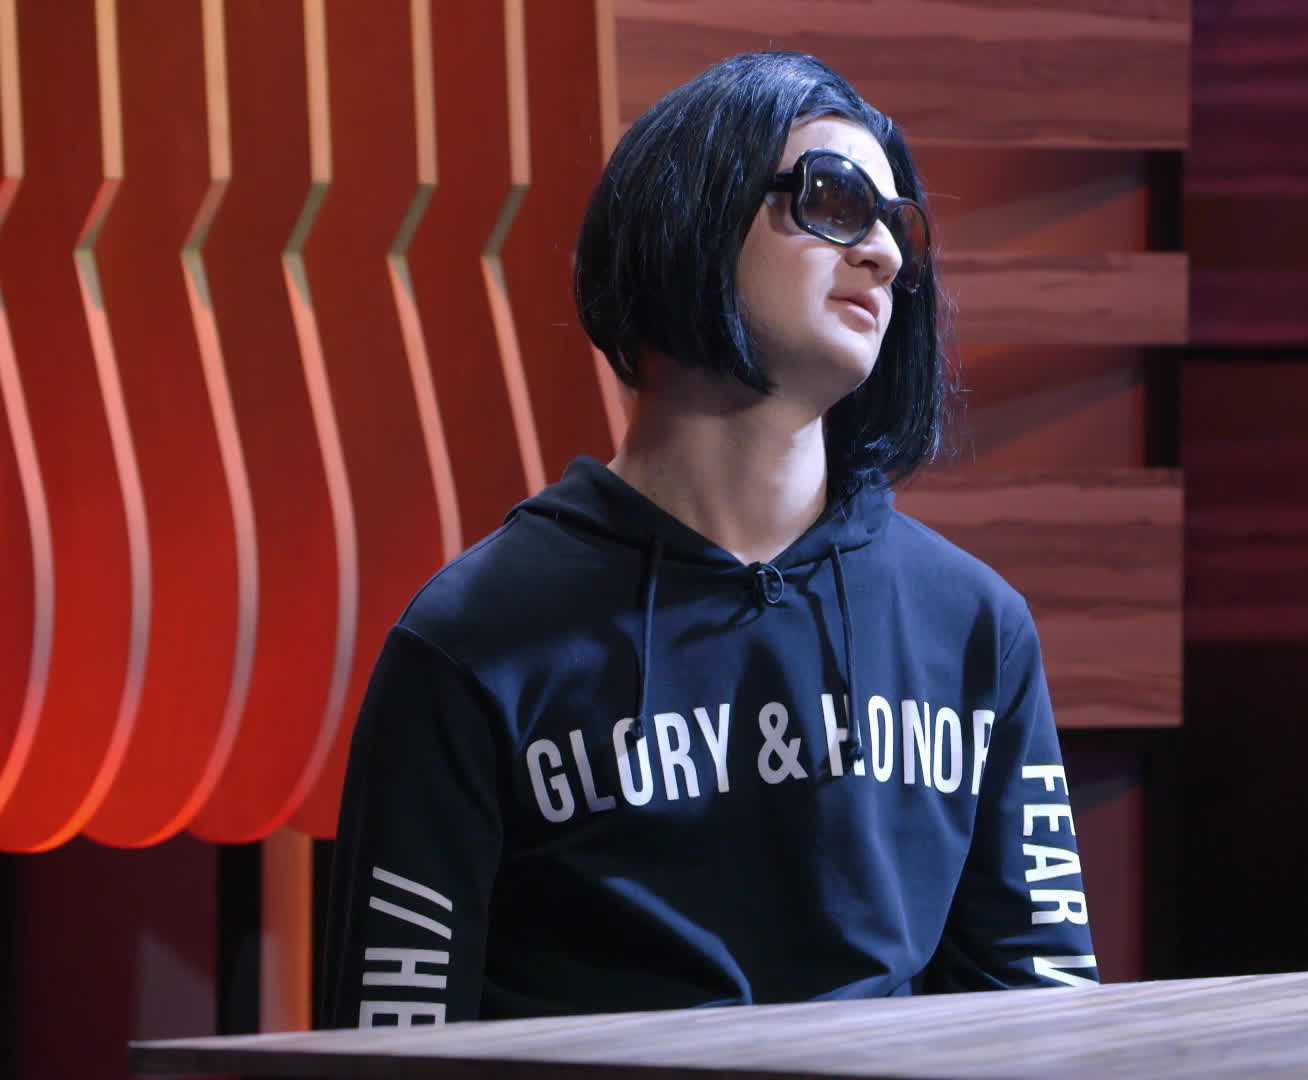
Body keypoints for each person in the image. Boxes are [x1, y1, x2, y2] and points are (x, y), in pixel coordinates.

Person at [319, 50, 1098, 1027]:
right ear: (688, 215)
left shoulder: (975, 626)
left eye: (898, 227)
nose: (886, 257)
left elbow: (1046, 1010)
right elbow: (389, 1028)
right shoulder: (472, 638)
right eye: (834, 201)